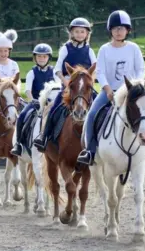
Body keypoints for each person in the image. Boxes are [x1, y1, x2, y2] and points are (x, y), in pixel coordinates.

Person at [76, 10, 145, 166]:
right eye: (115, 28)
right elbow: (100, 72)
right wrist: (107, 89)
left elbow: (141, 69)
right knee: (92, 114)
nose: (119, 31)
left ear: (128, 30)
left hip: (131, 92)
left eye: (122, 28)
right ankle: (90, 151)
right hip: (110, 91)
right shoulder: (104, 49)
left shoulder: (133, 48)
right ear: (110, 31)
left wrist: (136, 85)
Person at [33, 17, 97, 152]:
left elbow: (95, 68)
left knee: (99, 109)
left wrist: (90, 82)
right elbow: (57, 69)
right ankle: (43, 137)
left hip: (85, 86)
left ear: (87, 34)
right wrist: (66, 82)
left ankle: (97, 141)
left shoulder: (89, 50)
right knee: (54, 109)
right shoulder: (65, 49)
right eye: (77, 31)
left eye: (82, 32)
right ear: (71, 33)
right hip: (68, 86)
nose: (79, 34)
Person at [10, 43, 59, 156]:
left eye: (44, 56)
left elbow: (58, 87)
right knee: (22, 116)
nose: (41, 59)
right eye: (39, 56)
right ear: (35, 58)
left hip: (51, 103)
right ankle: (18, 144)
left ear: (49, 58)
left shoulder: (54, 72)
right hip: (36, 102)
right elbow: (28, 90)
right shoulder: (31, 73)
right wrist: (32, 100)